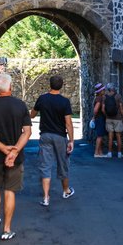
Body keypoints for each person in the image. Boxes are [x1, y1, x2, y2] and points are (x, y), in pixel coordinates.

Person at [0, 73, 32, 241]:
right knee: (10, 191)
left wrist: (3, 149)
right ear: (10, 87)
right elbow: (27, 132)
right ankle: (7, 229)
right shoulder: (20, 105)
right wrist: (13, 152)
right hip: (15, 159)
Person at [30, 75, 75, 206]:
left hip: (45, 135)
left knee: (45, 165)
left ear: (50, 84)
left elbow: (32, 115)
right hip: (60, 137)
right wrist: (71, 140)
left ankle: (45, 197)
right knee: (63, 164)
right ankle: (66, 191)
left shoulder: (42, 99)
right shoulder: (64, 102)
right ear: (61, 85)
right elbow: (68, 123)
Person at [103, 83, 123, 158]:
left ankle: (109, 153)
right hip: (117, 119)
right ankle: (119, 154)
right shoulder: (118, 96)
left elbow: (103, 109)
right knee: (118, 136)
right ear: (113, 88)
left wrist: (106, 115)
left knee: (110, 136)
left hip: (109, 118)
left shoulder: (104, 97)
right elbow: (121, 108)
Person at [92, 83, 108, 158]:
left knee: (100, 135)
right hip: (100, 118)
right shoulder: (99, 98)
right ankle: (96, 153)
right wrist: (94, 117)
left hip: (98, 118)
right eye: (103, 90)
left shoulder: (97, 98)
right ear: (100, 91)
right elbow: (96, 110)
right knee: (100, 136)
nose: (104, 91)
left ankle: (100, 152)